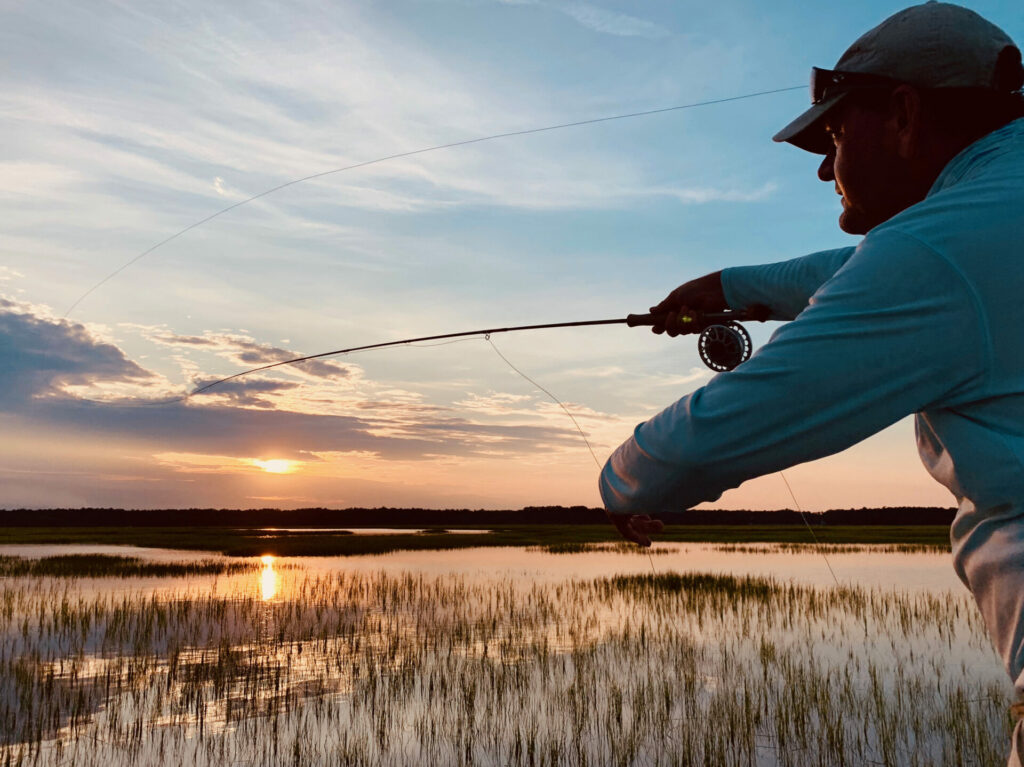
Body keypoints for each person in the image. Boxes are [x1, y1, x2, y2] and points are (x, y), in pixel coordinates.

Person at [599, 2, 1024, 761]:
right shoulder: (988, 218)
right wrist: (732, 284)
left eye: (831, 137)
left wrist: (625, 479)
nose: (827, 168)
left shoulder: (937, 251)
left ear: (902, 113)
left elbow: (704, 443)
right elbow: (879, 271)